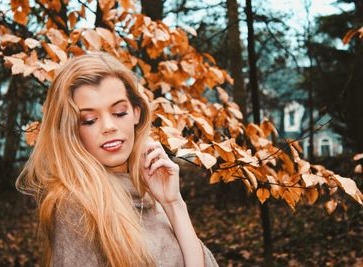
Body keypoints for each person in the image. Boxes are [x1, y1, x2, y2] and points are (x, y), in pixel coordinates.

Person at [16, 52, 219, 267]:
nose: (109, 127)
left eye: (119, 113)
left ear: (136, 113)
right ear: (71, 130)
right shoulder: (75, 205)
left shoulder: (149, 189)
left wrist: (174, 203)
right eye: (89, 120)